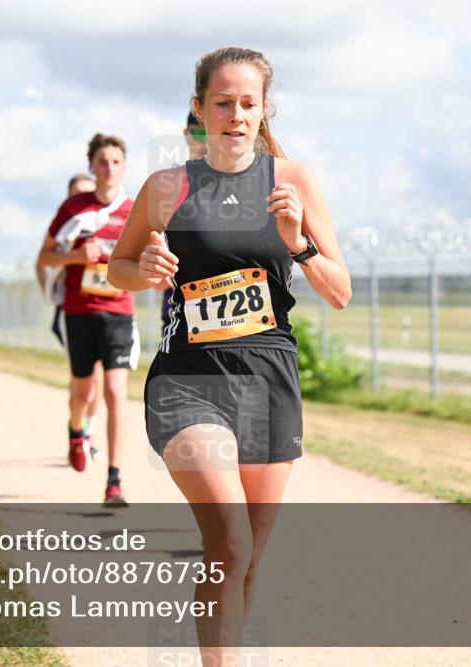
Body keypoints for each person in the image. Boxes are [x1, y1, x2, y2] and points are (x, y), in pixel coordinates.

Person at [108, 47, 351, 663]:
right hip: (187, 380)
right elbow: (118, 267)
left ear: (263, 109)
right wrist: (148, 269)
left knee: (246, 565)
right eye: (223, 103)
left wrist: (297, 245)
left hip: (269, 381)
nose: (237, 115)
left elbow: (339, 292)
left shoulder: (292, 181)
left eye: (249, 104)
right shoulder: (167, 187)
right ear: (199, 109)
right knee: (230, 544)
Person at [37, 134, 139, 506]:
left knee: (114, 391)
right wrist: (78, 257)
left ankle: (114, 480)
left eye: (115, 161)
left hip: (118, 313)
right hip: (79, 312)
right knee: (83, 392)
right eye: (102, 162)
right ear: (92, 167)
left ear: (124, 166)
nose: (109, 168)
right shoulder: (73, 209)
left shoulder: (134, 210)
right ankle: (76, 431)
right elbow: (45, 258)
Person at [37, 173, 104, 461]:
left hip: (103, 308)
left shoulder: (102, 225)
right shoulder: (63, 228)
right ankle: (78, 429)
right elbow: (41, 261)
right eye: (78, 194)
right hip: (71, 309)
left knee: (101, 376)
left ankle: (88, 432)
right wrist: (51, 292)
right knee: (83, 376)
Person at [159, 112, 209, 329]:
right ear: (186, 134)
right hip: (179, 303)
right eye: (198, 132)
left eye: (210, 132)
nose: (205, 139)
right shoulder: (170, 182)